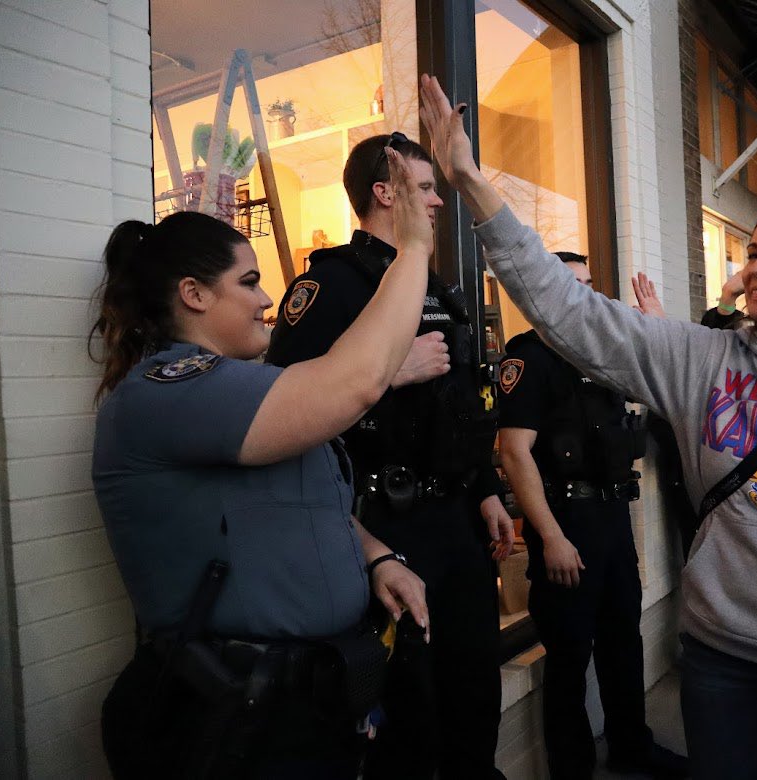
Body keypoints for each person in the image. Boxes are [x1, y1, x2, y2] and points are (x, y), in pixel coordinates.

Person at [417, 73, 757, 780]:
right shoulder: (699, 359)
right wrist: (469, 180)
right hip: (723, 661)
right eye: (755, 251)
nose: (756, 266)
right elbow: (567, 310)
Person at [92, 149, 431, 778]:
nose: (267, 295)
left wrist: (374, 554)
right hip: (234, 720)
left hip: (305, 704)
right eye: (248, 282)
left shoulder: (241, 390)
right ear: (192, 294)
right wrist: (411, 249)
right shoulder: (167, 391)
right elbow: (351, 384)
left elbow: (296, 499)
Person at [265, 132, 513, 779]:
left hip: (455, 520)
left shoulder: (434, 285)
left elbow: (459, 401)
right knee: (410, 707)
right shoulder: (332, 286)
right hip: (384, 527)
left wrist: (484, 486)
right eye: (426, 188)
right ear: (385, 192)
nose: (438, 201)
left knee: (473, 687)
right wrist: (385, 375)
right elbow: (288, 411)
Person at [497, 253, 687, 779]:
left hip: (610, 519)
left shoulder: (601, 354)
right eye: (572, 285)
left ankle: (632, 746)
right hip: (565, 522)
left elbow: (662, 389)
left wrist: (653, 331)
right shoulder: (529, 358)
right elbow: (514, 453)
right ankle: (572, 768)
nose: (584, 296)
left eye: (588, 285)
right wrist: (551, 537)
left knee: (623, 642)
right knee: (569, 660)